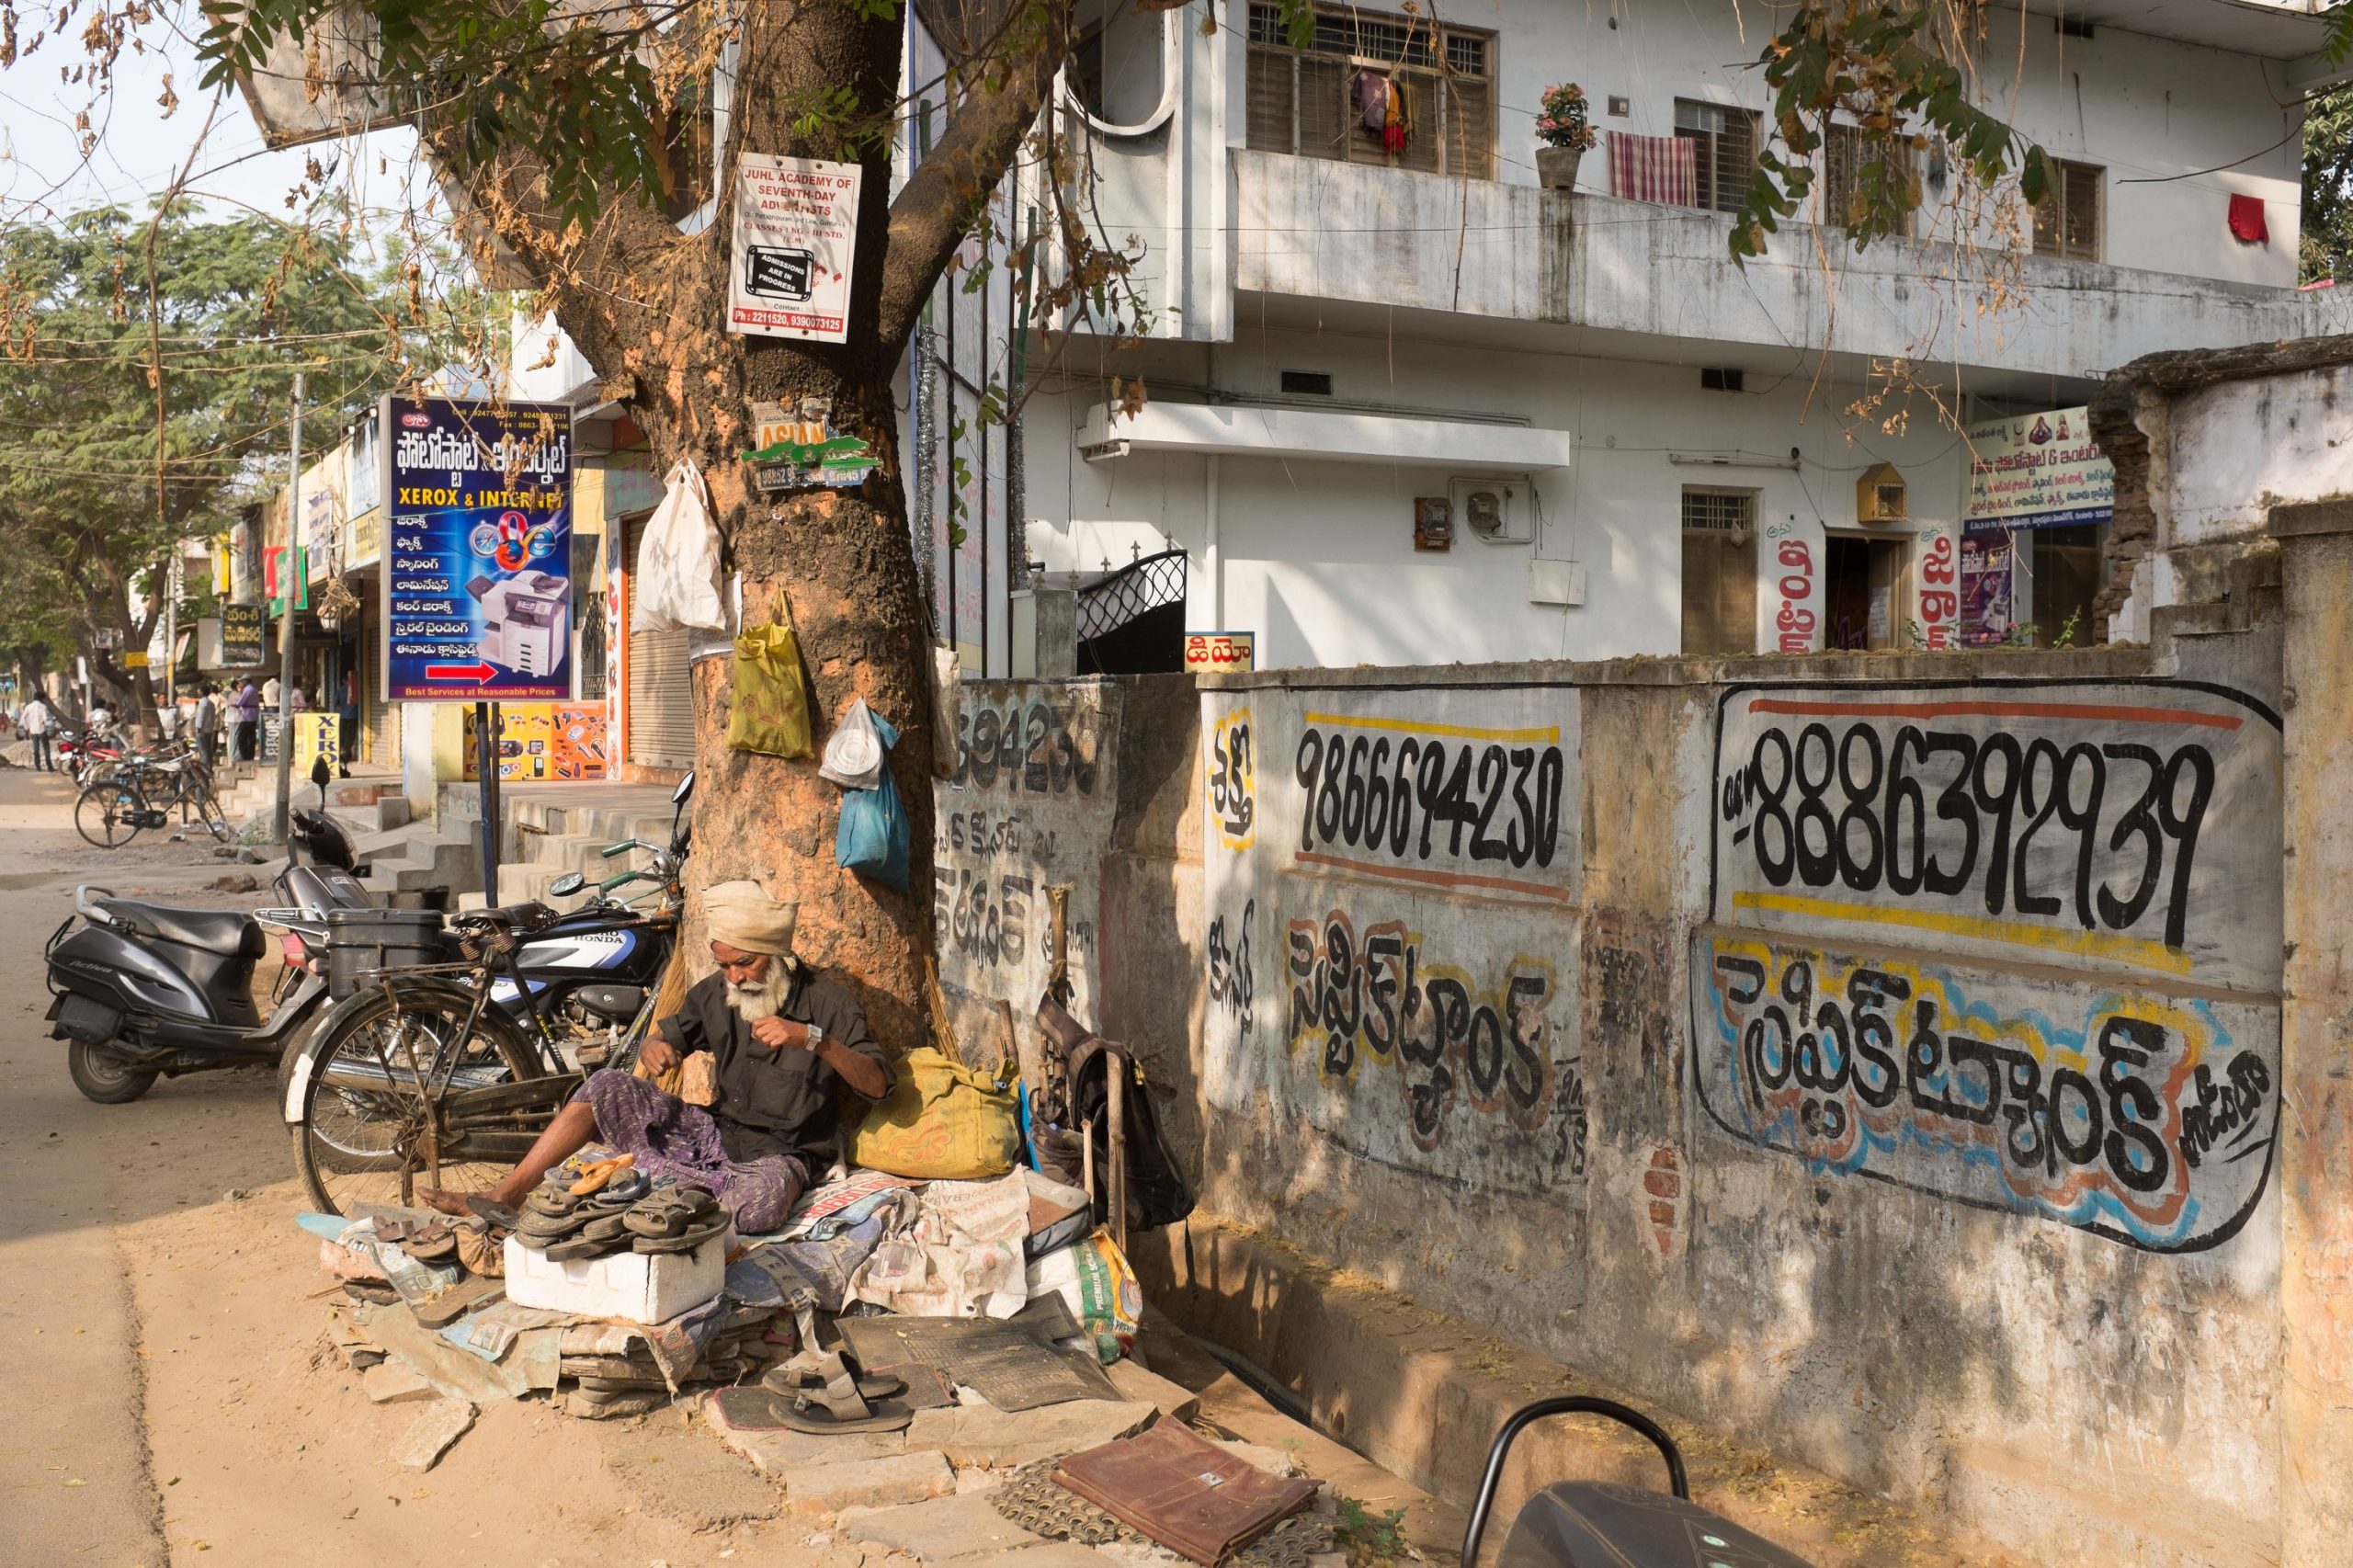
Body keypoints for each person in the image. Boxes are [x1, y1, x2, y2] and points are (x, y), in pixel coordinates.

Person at [421, 881, 892, 1233]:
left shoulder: (829, 1005)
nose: (735, 976)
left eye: (745, 963)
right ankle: (506, 1194)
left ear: (778, 956)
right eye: (724, 964)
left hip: (782, 1154)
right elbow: (665, 1040)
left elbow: (877, 1086)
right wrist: (654, 1048)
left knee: (760, 1205)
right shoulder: (715, 994)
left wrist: (812, 1039)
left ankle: (659, 1192)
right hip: (713, 1134)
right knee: (606, 1085)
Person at [19, 692, 55, 772]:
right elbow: (45, 718)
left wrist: (27, 727)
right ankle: (49, 766)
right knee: (46, 748)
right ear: (41, 699)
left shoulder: (29, 707)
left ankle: (38, 766)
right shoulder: (43, 707)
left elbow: (23, 718)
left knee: (36, 749)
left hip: (33, 730)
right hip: (42, 730)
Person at [336, 669, 359, 778]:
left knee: (344, 737)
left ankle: (344, 754)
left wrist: (342, 710)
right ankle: (345, 754)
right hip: (351, 717)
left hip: (344, 717)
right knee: (349, 737)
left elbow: (336, 703)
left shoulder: (341, 690)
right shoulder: (355, 689)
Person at [192, 683, 222, 769]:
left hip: (202, 730)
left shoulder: (202, 703)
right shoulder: (211, 703)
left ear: (201, 692)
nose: (198, 692)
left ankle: (204, 768)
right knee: (208, 750)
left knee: (203, 751)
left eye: (199, 691)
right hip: (209, 729)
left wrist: (198, 728)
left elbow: (200, 716)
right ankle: (209, 767)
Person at [232, 677, 260, 762]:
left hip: (246, 717)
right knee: (251, 737)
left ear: (246, 681)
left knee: (242, 738)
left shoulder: (247, 690)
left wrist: (234, 704)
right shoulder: (254, 689)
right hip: (253, 716)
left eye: (242, 681)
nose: (241, 683)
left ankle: (245, 756)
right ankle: (250, 756)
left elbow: (240, 702)